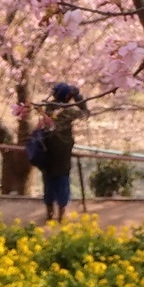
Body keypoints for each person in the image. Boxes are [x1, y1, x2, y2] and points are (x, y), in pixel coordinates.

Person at [39, 82, 87, 223]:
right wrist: (78, 98)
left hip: (47, 150)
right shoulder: (68, 112)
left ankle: (49, 212)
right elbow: (85, 113)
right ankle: (61, 214)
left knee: (48, 181)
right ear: (68, 97)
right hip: (63, 152)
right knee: (62, 182)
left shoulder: (48, 109)